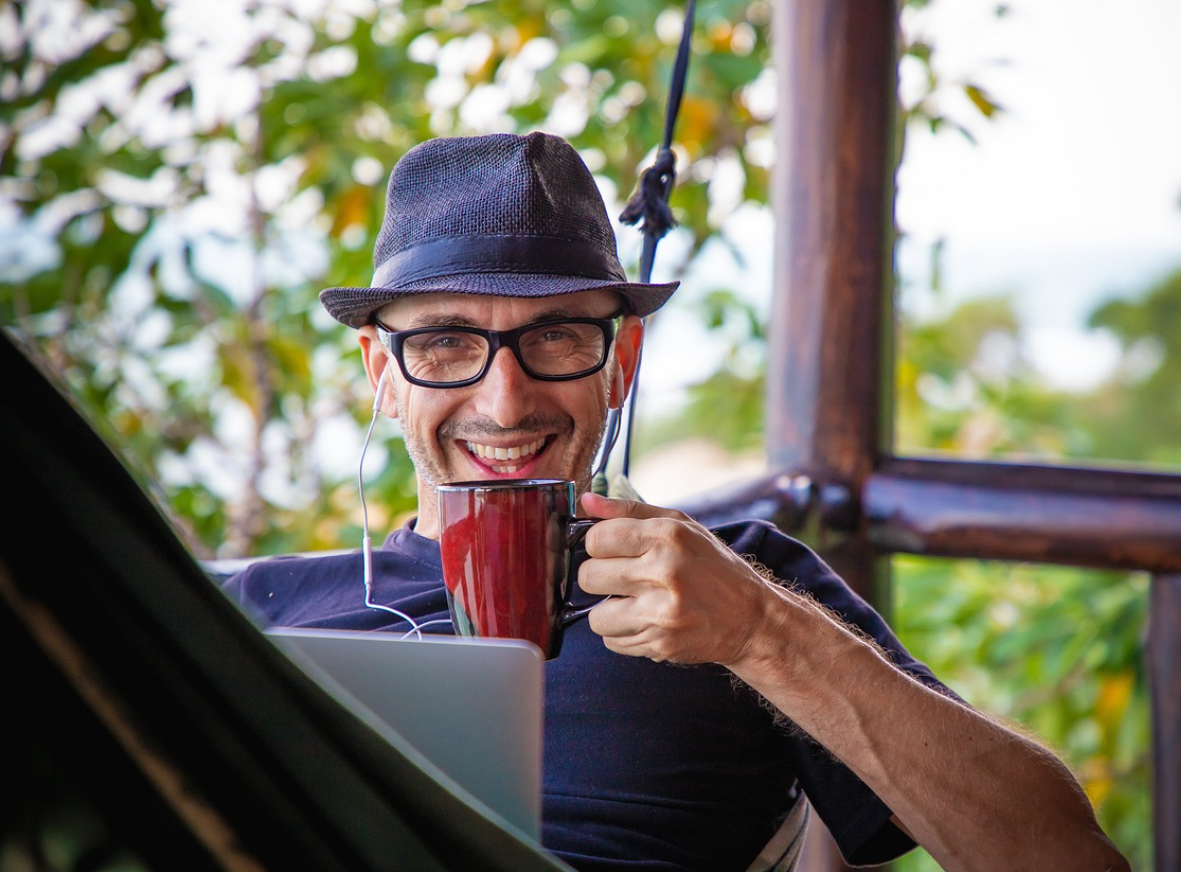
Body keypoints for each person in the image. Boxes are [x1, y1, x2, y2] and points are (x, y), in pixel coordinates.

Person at [222, 132, 1128, 872]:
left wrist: (763, 634)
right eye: (449, 345)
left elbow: (1065, 860)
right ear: (384, 374)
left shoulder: (735, 584)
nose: (504, 402)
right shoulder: (264, 611)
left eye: (558, 337)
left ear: (619, 366)